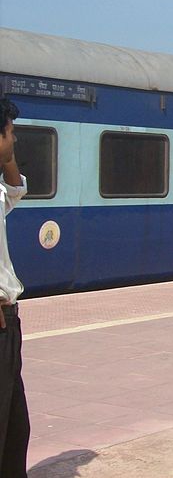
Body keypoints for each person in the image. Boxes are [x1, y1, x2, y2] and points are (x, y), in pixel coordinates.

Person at [0, 98, 29, 477]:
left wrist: (5, 156)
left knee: (15, 427)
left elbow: (15, 189)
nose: (15, 138)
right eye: (9, 132)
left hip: (8, 319)